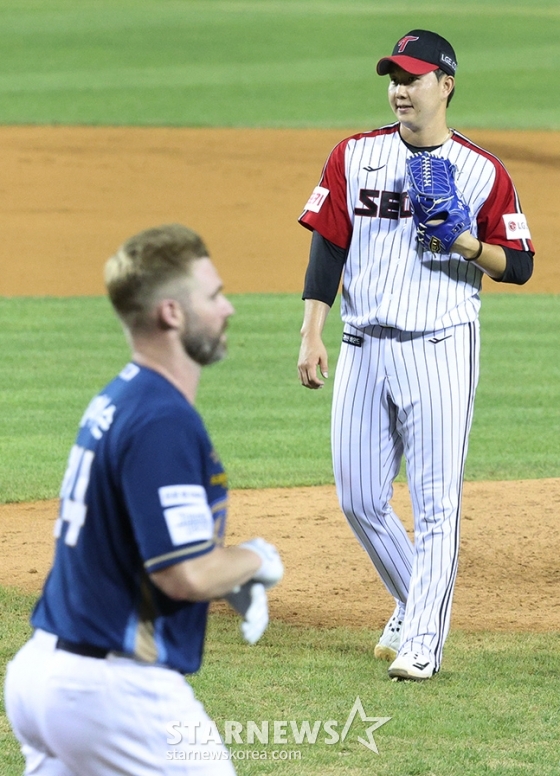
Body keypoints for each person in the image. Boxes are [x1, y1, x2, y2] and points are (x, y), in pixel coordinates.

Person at [297, 30, 533, 681]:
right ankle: (412, 600)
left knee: (436, 504)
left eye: (414, 78)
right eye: (393, 78)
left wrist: (465, 243)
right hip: (361, 347)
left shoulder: (485, 171)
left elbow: (520, 264)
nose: (400, 89)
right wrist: (310, 329)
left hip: (439, 346)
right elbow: (328, 244)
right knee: (360, 498)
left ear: (445, 84)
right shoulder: (355, 155)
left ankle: (423, 638)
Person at [4, 223, 284, 774]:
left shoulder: (119, 397)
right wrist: (257, 559)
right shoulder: (162, 419)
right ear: (172, 314)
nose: (228, 308)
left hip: (45, 671)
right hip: (112, 691)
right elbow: (183, 575)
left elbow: (127, 542)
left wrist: (223, 577)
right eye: (213, 295)